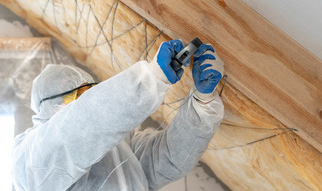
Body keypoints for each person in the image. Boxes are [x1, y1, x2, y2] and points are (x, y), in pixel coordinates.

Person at [11, 39, 224, 191]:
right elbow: (81, 123)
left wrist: (201, 103)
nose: (86, 99)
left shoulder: (119, 147)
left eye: (90, 92)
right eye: (79, 95)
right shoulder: (28, 162)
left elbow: (168, 159)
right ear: (49, 107)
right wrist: (151, 78)